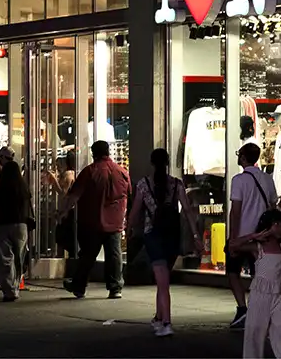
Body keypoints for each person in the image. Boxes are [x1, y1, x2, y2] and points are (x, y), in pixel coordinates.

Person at [127, 147, 202, 338]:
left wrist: (128, 229)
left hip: (153, 235)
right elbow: (187, 210)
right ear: (168, 163)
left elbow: (135, 211)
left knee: (162, 282)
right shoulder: (176, 184)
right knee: (163, 279)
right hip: (172, 235)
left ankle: (166, 322)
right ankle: (158, 317)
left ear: (152, 163)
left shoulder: (144, 185)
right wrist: (195, 236)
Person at [229, 206, 281, 358]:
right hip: (260, 295)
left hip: (279, 295)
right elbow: (232, 245)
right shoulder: (258, 247)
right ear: (274, 225)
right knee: (255, 333)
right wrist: (253, 235)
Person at [63, 140, 132, 299]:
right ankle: (115, 288)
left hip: (92, 222)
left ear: (94, 153)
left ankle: (79, 286)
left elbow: (74, 195)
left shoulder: (90, 171)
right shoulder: (121, 172)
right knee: (114, 255)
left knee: (87, 256)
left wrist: (64, 212)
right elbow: (129, 194)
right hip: (115, 222)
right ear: (108, 152)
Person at [228, 142, 280, 332]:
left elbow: (236, 211)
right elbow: (274, 206)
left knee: (233, 272)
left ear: (242, 157)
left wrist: (233, 238)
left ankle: (243, 308)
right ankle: (260, 311)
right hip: (263, 235)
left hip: (243, 235)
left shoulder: (239, 180)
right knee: (258, 274)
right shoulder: (267, 179)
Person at [0, 158, 32, 301]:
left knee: (5, 259)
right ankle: (16, 286)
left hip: (3, 225)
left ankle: (9, 290)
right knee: (19, 259)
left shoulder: (0, 188)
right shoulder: (23, 188)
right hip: (21, 226)